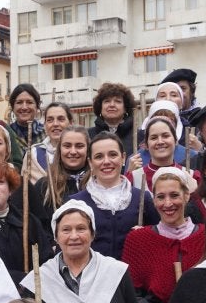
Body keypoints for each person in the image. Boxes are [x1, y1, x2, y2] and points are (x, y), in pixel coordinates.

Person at [122, 167, 206, 303]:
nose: (167, 204)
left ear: (187, 196)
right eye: (160, 197)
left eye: (174, 195)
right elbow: (129, 294)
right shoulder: (138, 240)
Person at [72, 132, 155, 261]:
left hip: (133, 277)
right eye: (99, 157)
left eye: (113, 155)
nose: (106, 161)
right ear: (90, 162)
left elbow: (158, 240)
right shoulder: (76, 202)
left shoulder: (142, 198)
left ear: (123, 158)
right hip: (91, 277)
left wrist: (147, 234)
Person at [0, 158, 51, 281]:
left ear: (10, 189)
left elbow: (46, 261)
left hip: (29, 295)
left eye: (0, 182)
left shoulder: (29, 222)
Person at [32, 124, 90, 228]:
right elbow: (37, 226)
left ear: (88, 149)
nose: (73, 151)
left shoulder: (97, 182)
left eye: (79, 146)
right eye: (67, 146)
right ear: (59, 149)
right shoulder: (44, 186)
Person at [6, 84, 45, 169]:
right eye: (19, 102)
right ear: (13, 107)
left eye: (29, 102)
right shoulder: (6, 134)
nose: (24, 107)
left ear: (37, 106)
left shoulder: (46, 134)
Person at [88, 82, 135, 149]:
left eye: (118, 101)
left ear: (125, 108)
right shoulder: (88, 135)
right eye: (107, 101)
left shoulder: (138, 135)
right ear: (100, 107)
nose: (112, 105)